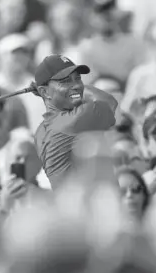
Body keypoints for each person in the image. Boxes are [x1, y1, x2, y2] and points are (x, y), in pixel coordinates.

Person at [33, 54, 118, 189]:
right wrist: (74, 91)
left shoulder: (40, 131)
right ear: (44, 92)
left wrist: (50, 90)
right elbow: (109, 102)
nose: (76, 85)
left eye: (77, 78)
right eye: (65, 81)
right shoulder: (74, 120)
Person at [0, 33, 46, 132]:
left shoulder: (39, 86)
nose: (19, 58)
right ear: (0, 58)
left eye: (24, 53)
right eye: (14, 54)